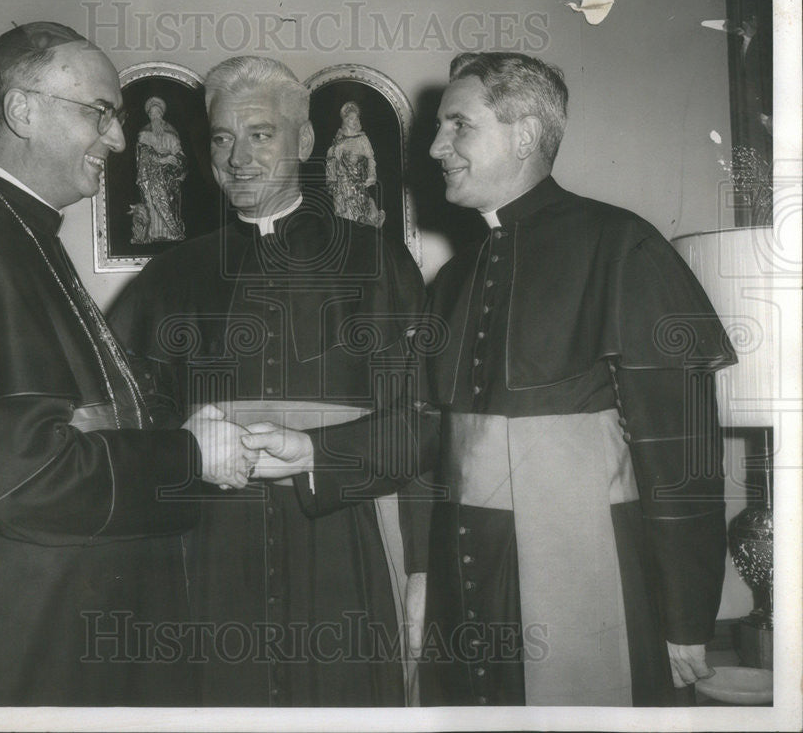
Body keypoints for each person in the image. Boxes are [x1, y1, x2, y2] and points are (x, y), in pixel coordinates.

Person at [0, 22, 257, 706]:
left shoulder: (13, 231)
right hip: (33, 640)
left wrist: (177, 426)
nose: (117, 140)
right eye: (101, 113)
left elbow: (77, 416)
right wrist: (186, 456)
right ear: (23, 110)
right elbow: (31, 484)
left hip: (57, 620)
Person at [417, 52, 735, 706]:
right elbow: (435, 449)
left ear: (526, 134)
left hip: (585, 573)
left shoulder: (623, 246)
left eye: (458, 125)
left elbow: (681, 452)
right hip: (472, 574)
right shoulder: (455, 276)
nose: (434, 146)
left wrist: (686, 618)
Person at [109, 56, 428, 706]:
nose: (238, 157)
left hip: (344, 526)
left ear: (304, 142)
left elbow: (419, 421)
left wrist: (423, 568)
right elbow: (130, 421)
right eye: (223, 138)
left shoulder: (375, 259)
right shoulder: (172, 276)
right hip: (208, 536)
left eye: (261, 135)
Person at [130, 96, 187, 243]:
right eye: (152, 113)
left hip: (168, 177)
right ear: (149, 115)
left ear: (162, 114)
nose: (155, 116)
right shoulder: (144, 134)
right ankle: (152, 235)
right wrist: (163, 159)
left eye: (158, 113)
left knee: (168, 204)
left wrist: (177, 161)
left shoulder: (171, 133)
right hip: (150, 176)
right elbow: (144, 156)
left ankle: (171, 234)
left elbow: (179, 153)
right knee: (152, 205)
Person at [326, 101, 384, 227]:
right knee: (344, 218)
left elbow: (371, 159)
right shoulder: (338, 140)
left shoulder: (362, 139)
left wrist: (372, 175)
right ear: (345, 120)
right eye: (351, 118)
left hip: (358, 184)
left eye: (356, 118)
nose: (354, 121)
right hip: (342, 187)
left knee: (361, 216)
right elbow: (332, 161)